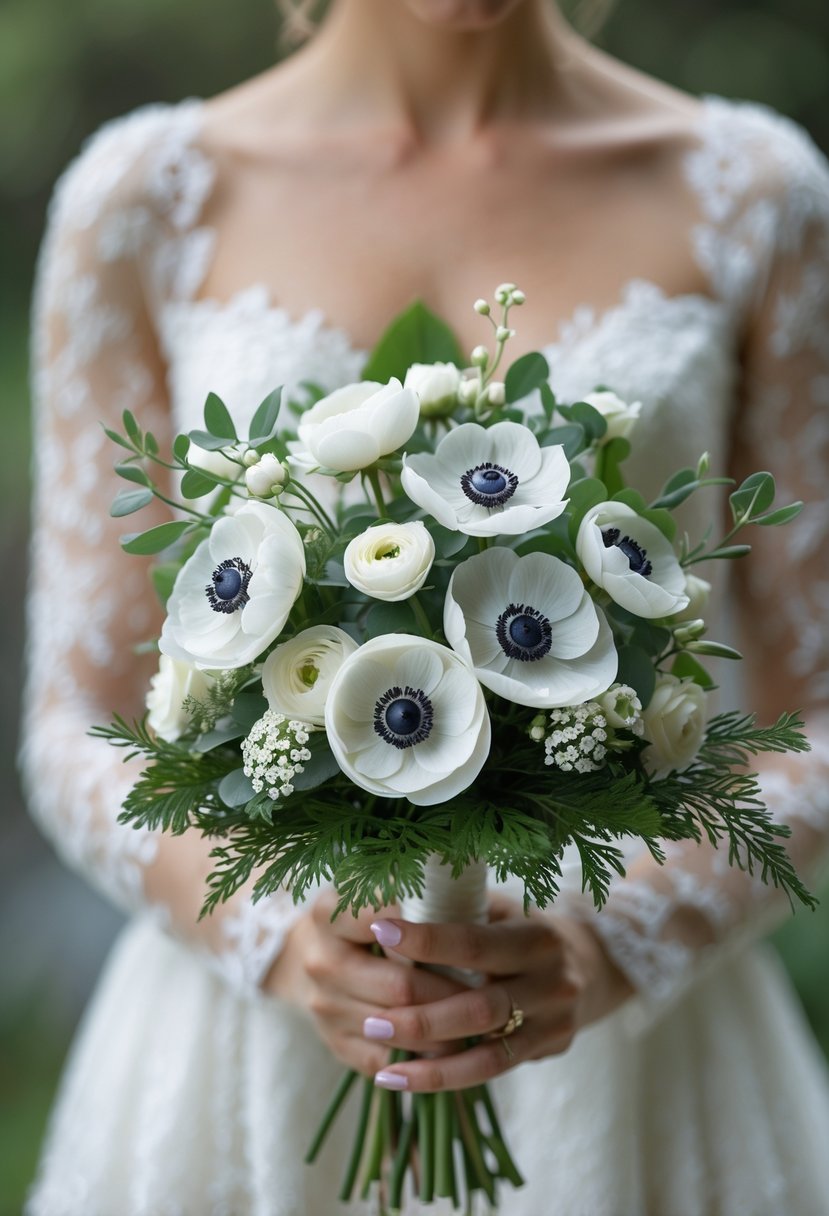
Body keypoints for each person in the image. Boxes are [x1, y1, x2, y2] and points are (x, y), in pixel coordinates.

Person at [21, 0, 829, 1211]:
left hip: (634, 1063)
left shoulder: (754, 194)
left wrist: (617, 938)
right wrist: (282, 937)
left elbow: (817, 711)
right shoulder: (145, 200)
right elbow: (73, 720)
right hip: (251, 1058)